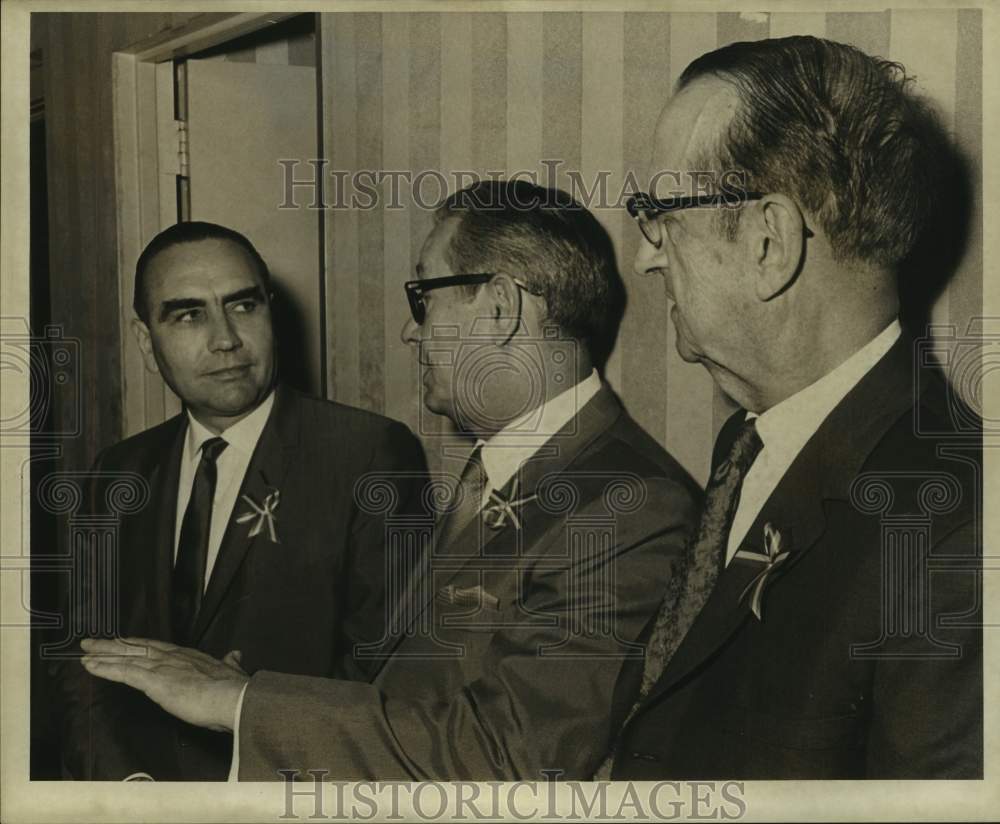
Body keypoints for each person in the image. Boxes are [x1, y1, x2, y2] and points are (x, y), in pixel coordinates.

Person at [79, 181, 701, 781]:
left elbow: (514, 758)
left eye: (423, 298)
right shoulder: (503, 470)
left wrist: (238, 702)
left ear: (501, 307)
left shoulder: (629, 505)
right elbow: (401, 683)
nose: (411, 329)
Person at [599, 36, 981, 779]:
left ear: (769, 243)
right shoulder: (751, 443)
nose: (646, 254)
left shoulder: (951, 532)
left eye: (659, 214)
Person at [55, 221, 426, 780]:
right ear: (144, 341)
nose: (225, 338)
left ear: (272, 314)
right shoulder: (118, 471)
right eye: (188, 314)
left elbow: (385, 671)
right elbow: (83, 661)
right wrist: (129, 788)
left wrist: (247, 711)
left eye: (244, 306)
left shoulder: (369, 454)